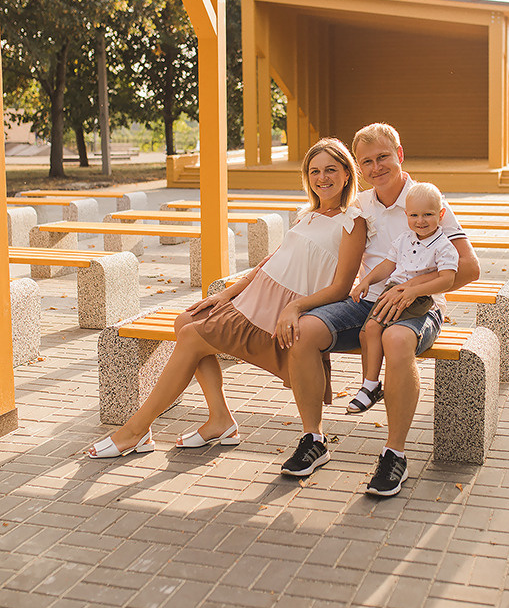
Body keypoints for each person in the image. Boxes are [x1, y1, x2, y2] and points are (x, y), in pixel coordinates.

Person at [87, 138, 366, 460]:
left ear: (347, 173)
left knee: (192, 337)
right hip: (254, 299)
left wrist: (295, 307)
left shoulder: (351, 220)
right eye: (314, 171)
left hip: (278, 314)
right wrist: (225, 294)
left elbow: (342, 287)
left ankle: (136, 429)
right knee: (185, 321)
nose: (322, 178)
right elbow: (270, 263)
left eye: (331, 170)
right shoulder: (308, 214)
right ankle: (219, 419)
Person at [285, 123, 480, 496]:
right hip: (366, 303)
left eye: (383, 157)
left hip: (419, 306)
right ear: (358, 167)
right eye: (367, 162)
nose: (376, 167)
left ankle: (395, 454)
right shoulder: (359, 205)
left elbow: (469, 268)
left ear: (400, 155)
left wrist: (410, 289)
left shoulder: (426, 200)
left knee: (396, 339)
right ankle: (314, 439)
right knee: (304, 332)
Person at [348, 181, 459, 416]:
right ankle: (370, 384)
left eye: (428, 214)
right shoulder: (404, 239)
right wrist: (366, 281)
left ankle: (383, 387)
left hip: (419, 298)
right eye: (414, 215)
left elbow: (447, 280)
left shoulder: (444, 246)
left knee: (392, 335)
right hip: (393, 291)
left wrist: (414, 291)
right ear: (406, 215)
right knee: (370, 329)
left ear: (441, 215)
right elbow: (388, 265)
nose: (421, 221)